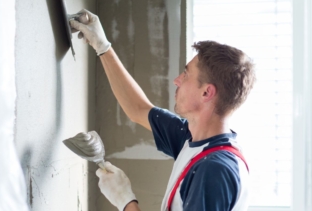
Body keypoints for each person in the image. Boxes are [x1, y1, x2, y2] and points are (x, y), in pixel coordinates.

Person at [70, 9, 256, 211]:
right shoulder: (193, 138)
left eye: (186, 75)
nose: (177, 80)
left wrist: (126, 202)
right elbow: (138, 108)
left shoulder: (214, 170)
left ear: (206, 93)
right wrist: (102, 46)